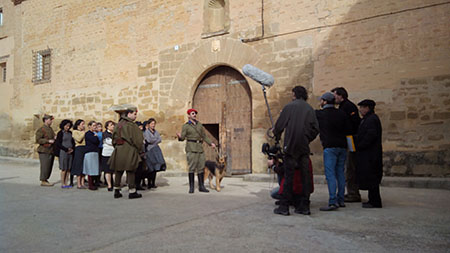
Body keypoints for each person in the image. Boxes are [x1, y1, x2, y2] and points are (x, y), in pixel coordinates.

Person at [272, 86, 319, 216]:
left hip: (291, 147)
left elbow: (279, 126)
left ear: (294, 94)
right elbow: (315, 129)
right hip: (303, 147)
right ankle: (304, 206)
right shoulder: (309, 109)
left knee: (288, 177)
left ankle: (284, 207)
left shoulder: (289, 107)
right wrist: (307, 138)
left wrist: (276, 135)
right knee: (305, 177)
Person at [315, 92, 352, 211]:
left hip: (330, 147)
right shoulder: (341, 113)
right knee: (340, 173)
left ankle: (332, 201)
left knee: (330, 174)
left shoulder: (320, 114)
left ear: (325, 101)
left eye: (321, 100)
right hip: (342, 146)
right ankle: (340, 199)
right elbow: (348, 129)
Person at [332, 87, 362, 202]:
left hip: (351, 139)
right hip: (347, 139)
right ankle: (351, 192)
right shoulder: (343, 107)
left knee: (350, 166)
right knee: (347, 166)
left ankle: (353, 193)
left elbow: (353, 124)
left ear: (341, 96)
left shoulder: (348, 107)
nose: (334, 98)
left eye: (335, 96)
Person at [176, 108, 216, 194]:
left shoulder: (199, 125)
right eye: (193, 113)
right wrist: (179, 137)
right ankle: (191, 187)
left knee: (201, 167)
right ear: (189, 115)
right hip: (191, 148)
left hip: (199, 148)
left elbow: (204, 136)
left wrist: (211, 143)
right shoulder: (186, 126)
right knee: (192, 168)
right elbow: (183, 138)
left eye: (195, 114)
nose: (194, 115)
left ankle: (201, 186)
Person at [109, 105, 144, 199]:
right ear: (129, 114)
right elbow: (138, 139)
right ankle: (132, 191)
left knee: (118, 170)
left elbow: (113, 139)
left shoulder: (118, 124)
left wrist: (116, 147)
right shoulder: (131, 125)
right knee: (131, 169)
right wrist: (139, 149)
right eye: (134, 114)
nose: (136, 116)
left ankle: (116, 190)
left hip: (118, 149)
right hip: (129, 149)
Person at [356, 99, 383, 208]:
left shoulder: (371, 120)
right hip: (369, 154)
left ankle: (375, 201)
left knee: (372, 178)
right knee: (370, 177)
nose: (360, 110)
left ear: (367, 108)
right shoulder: (368, 119)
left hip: (371, 154)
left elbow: (370, 135)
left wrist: (360, 145)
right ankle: (372, 199)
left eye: (362, 107)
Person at [144, 118, 166, 189]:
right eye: (152, 124)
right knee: (151, 167)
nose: (153, 125)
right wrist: (155, 140)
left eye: (154, 124)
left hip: (156, 150)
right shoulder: (146, 132)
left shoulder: (156, 132)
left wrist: (154, 140)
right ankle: (149, 183)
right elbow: (149, 140)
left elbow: (159, 139)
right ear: (149, 124)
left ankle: (153, 183)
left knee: (156, 166)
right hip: (149, 150)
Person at [35, 114, 56, 186]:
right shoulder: (41, 129)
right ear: (46, 120)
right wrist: (48, 141)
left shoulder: (50, 129)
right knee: (45, 166)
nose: (51, 122)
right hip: (44, 150)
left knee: (49, 166)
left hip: (50, 150)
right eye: (50, 120)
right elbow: (38, 140)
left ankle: (46, 179)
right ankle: (43, 180)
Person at [54, 119, 75, 188]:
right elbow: (58, 143)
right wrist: (66, 149)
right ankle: (62, 183)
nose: (67, 127)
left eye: (69, 126)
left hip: (70, 152)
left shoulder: (70, 133)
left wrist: (72, 149)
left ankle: (66, 182)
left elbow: (72, 142)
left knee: (68, 168)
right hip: (63, 152)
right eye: (66, 126)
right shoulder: (60, 133)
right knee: (64, 168)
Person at [83, 121, 100, 191]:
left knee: (95, 168)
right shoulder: (88, 134)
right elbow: (95, 141)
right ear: (89, 126)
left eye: (95, 126)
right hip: (90, 152)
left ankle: (94, 183)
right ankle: (90, 184)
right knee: (90, 169)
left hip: (95, 152)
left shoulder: (94, 134)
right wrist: (96, 137)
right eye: (93, 125)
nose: (95, 127)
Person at [71, 119, 87, 189]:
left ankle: (83, 182)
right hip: (79, 148)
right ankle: (78, 183)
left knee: (84, 165)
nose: (83, 125)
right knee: (79, 165)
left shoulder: (83, 132)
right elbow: (79, 139)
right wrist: (83, 132)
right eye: (82, 124)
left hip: (84, 148)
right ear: (78, 125)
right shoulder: (75, 132)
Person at [101, 120, 115, 191]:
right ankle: (109, 185)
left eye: (113, 125)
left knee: (113, 170)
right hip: (107, 154)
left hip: (114, 154)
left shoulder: (115, 133)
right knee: (108, 170)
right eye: (111, 125)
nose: (113, 126)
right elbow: (111, 142)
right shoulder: (105, 134)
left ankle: (113, 183)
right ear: (107, 127)